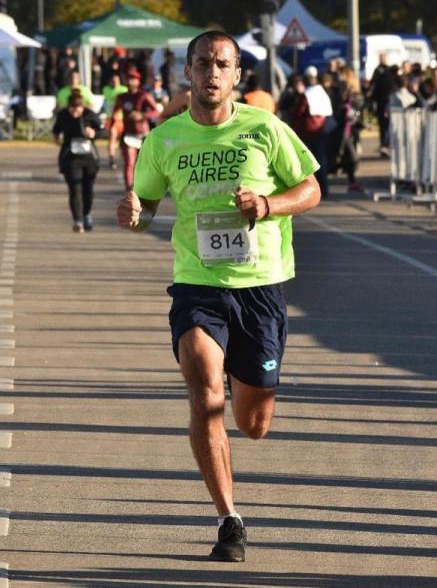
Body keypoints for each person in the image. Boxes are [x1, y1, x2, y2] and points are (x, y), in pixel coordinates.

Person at [115, 30, 321, 563]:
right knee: (205, 393)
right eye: (202, 62)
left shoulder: (264, 128)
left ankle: (243, 377)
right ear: (188, 72)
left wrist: (270, 205)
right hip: (197, 287)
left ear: (235, 76)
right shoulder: (164, 140)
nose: (212, 72)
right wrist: (136, 213)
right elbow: (149, 204)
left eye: (222, 64)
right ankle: (230, 519)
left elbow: (312, 189)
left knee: (253, 424)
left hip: (260, 288)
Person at [53, 90, 102, 233]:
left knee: (88, 191)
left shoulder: (89, 115)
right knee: (75, 189)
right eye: (72, 109)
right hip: (71, 158)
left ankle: (86, 214)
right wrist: (57, 140)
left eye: (78, 109)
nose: (75, 113)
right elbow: (56, 132)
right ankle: (78, 221)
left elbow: (101, 130)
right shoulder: (63, 115)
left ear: (82, 107)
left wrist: (93, 134)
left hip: (89, 158)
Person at [110, 69, 159, 191]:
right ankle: (129, 189)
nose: (131, 81)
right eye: (129, 79)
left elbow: (156, 111)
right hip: (128, 135)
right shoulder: (121, 97)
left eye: (134, 79)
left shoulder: (144, 95)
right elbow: (115, 113)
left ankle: (144, 187)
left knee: (144, 164)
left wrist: (142, 115)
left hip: (143, 135)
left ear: (138, 81)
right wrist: (113, 126)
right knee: (129, 162)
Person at [101, 72, 128, 169]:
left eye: (116, 81)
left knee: (122, 140)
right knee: (112, 137)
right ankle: (111, 158)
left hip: (121, 118)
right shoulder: (106, 90)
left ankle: (124, 157)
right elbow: (105, 101)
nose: (115, 82)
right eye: (113, 81)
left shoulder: (123, 90)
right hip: (110, 118)